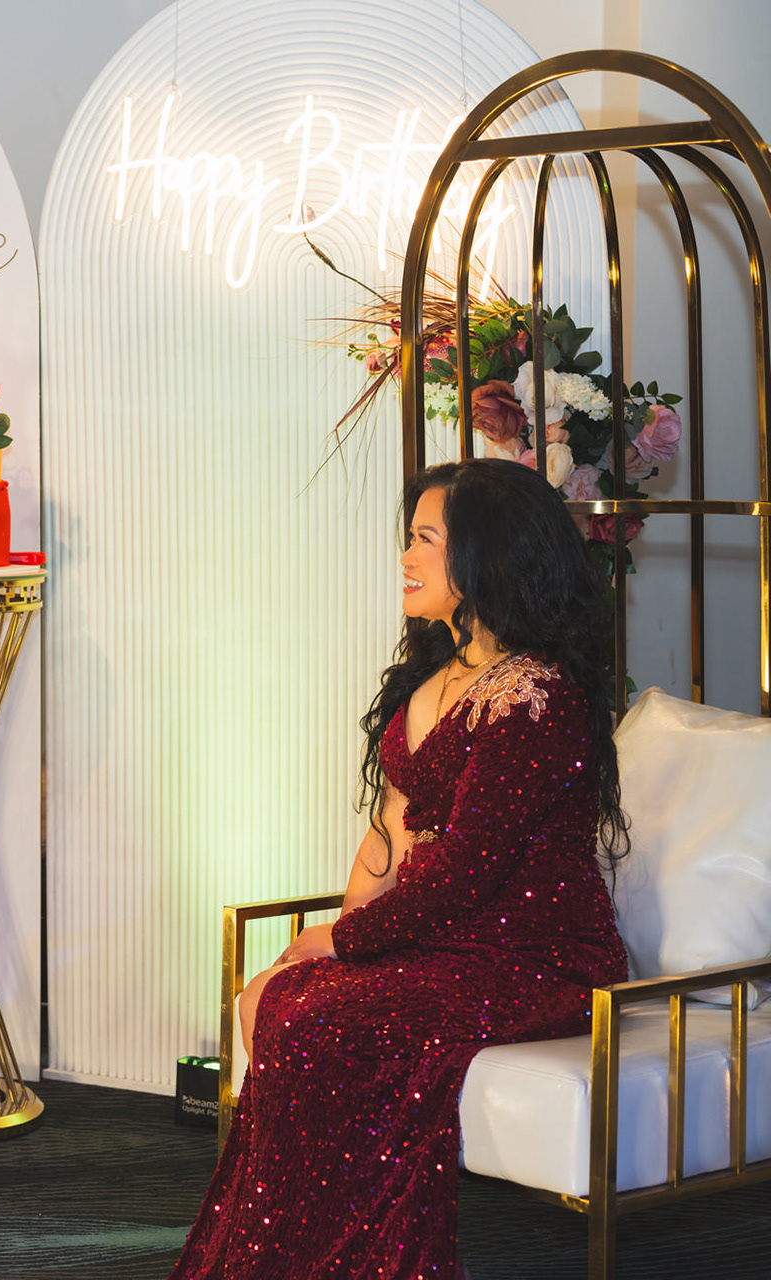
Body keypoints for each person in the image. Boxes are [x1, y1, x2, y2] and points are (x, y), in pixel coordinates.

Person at [170, 458, 630, 1278]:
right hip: (448, 941)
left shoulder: (535, 696)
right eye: (408, 538)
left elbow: (468, 869)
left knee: (320, 1018)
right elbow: (389, 832)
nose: (406, 558)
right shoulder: (438, 676)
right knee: (279, 994)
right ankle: (291, 1249)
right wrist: (334, 940)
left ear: (484, 553)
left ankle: (350, 1255)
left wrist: (343, 944)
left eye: (424, 539)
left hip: (535, 955)